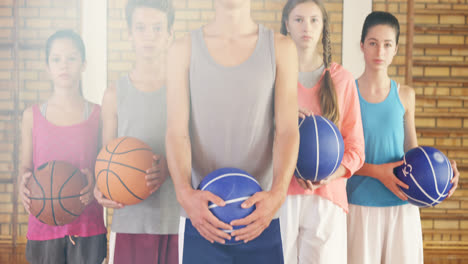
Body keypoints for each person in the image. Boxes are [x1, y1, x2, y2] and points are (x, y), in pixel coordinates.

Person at [165, 0, 300, 263]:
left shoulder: (281, 48)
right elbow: (176, 132)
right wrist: (184, 193)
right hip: (202, 216)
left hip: (260, 215)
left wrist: (278, 194)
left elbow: (287, 130)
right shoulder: (182, 49)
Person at [346, 11, 460, 264]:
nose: (379, 51)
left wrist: (442, 174)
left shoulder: (405, 95)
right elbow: (342, 161)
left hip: (402, 205)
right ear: (362, 45)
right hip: (359, 206)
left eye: (387, 45)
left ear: (395, 49)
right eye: (373, 43)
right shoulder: (346, 93)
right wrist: (378, 172)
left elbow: (413, 151)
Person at [279, 1, 366, 263]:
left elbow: (356, 148)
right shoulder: (272, 75)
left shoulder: (343, 79)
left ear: (323, 26)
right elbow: (256, 136)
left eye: (314, 20)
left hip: (327, 197)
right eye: (299, 20)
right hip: (281, 193)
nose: (307, 27)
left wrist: (330, 176)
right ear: (287, 24)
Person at [93, 1, 180, 263]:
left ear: (169, 34)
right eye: (140, 28)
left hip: (176, 220)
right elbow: (105, 158)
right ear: (129, 33)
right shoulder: (114, 94)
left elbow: (196, 153)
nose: (149, 36)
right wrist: (102, 185)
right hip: (130, 221)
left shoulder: (182, 90)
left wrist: (169, 168)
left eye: (157, 28)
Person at [19, 29, 107, 264]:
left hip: (88, 224)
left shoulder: (98, 114)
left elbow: (105, 169)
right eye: (56, 59)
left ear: (83, 64)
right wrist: (23, 187)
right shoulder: (32, 116)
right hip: (43, 225)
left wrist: (95, 185)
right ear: (47, 67)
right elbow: (25, 168)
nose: (64, 65)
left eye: (71, 58)